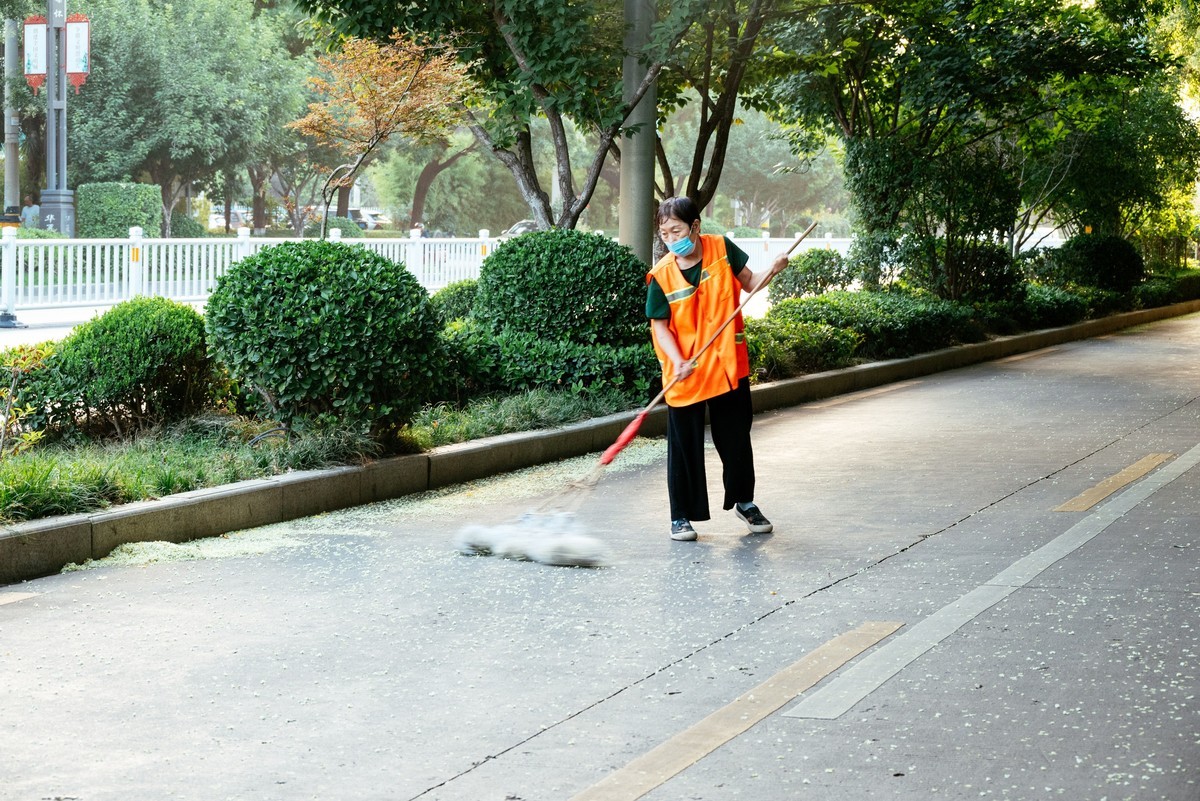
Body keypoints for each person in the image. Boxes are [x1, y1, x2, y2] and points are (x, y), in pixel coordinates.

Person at [645, 196, 790, 542]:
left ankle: (745, 502)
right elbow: (660, 326)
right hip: (686, 371)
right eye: (664, 234)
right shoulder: (662, 275)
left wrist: (773, 269)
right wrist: (678, 360)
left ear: (695, 226)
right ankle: (680, 516)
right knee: (683, 447)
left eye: (676, 230)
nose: (671, 238)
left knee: (736, 438)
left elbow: (751, 283)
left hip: (726, 365)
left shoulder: (722, 248)